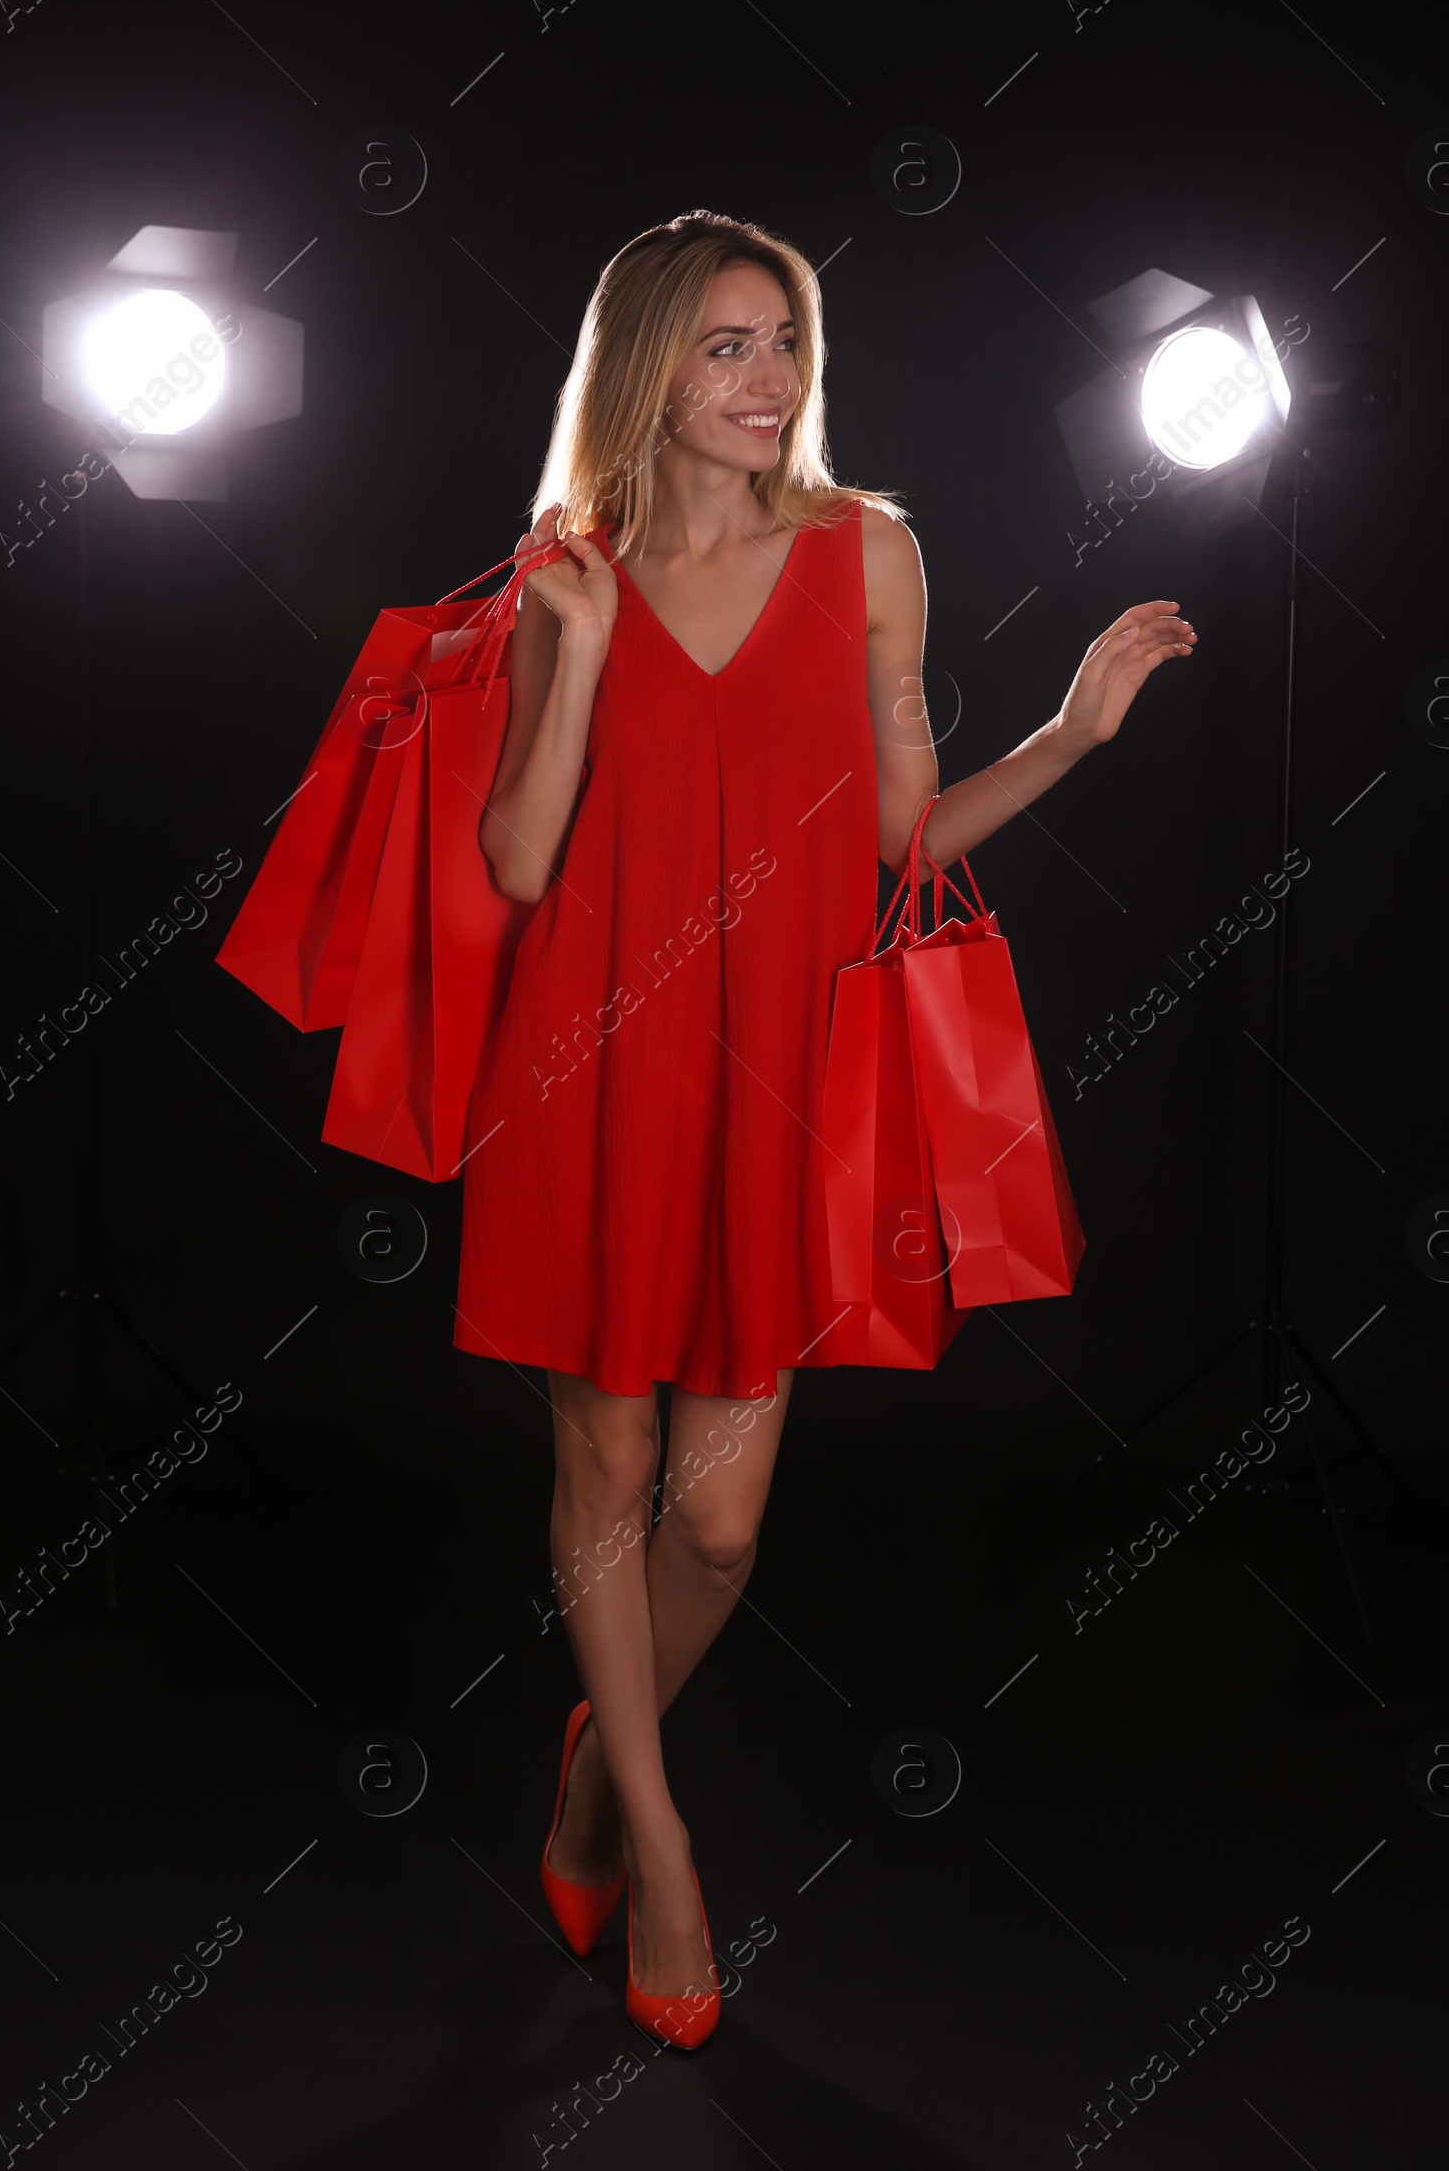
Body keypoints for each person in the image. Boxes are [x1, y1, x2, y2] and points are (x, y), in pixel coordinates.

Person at [452, 210, 1194, 2045]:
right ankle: (667, 1852)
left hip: (774, 1076)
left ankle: (591, 1784)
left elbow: (901, 845)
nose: (767, 379)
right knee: (606, 1479)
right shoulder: (574, 566)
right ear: (644, 367)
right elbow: (521, 859)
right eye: (724, 345)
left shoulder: (873, 554)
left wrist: (1075, 734)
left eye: (783, 342)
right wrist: (575, 635)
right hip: (589, 1067)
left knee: (712, 1535)